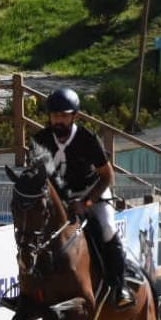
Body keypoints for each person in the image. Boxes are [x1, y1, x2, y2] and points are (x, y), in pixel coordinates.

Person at [31, 86, 135, 307]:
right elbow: (39, 175)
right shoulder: (40, 140)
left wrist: (86, 202)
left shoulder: (87, 139)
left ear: (74, 116)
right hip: (58, 199)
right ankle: (28, 292)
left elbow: (107, 176)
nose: (58, 120)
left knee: (107, 229)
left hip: (91, 192)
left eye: (63, 116)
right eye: (54, 115)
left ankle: (119, 287)